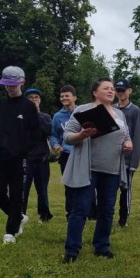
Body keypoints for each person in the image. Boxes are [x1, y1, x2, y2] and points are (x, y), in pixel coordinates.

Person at [60, 77, 132, 262]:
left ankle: (102, 246)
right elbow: (67, 136)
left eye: (112, 89)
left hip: (112, 170)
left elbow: (126, 135)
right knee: (80, 209)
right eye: (106, 88)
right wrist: (82, 134)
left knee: (107, 210)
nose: (111, 91)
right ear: (95, 92)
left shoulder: (119, 114)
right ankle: (71, 250)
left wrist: (127, 142)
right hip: (88, 168)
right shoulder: (83, 110)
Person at [0, 66, 41, 244]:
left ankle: (11, 231)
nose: (10, 88)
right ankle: (18, 217)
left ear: (22, 83)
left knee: (17, 194)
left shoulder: (29, 107)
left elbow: (34, 133)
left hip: (19, 159)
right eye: (7, 84)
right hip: (0, 158)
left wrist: (28, 154)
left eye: (13, 85)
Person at [113, 79, 140, 228]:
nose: (120, 92)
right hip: (113, 157)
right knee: (111, 188)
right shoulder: (111, 109)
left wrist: (134, 162)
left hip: (127, 158)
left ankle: (124, 218)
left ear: (129, 91)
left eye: (123, 90)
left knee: (126, 189)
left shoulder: (135, 110)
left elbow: (137, 135)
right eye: (118, 90)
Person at [21, 88, 54, 223]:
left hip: (42, 158)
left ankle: (44, 214)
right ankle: (20, 214)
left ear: (39, 100)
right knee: (23, 189)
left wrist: (36, 115)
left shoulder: (45, 117)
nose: (34, 100)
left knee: (42, 189)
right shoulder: (21, 116)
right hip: (25, 159)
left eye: (36, 97)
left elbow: (48, 131)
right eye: (31, 98)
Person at [51, 85, 78, 218]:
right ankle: (70, 211)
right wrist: (56, 145)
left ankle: (91, 211)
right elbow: (53, 134)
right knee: (68, 183)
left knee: (86, 182)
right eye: (62, 96)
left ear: (74, 97)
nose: (64, 98)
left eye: (67, 95)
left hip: (81, 152)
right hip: (66, 154)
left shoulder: (82, 112)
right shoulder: (57, 116)